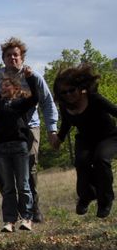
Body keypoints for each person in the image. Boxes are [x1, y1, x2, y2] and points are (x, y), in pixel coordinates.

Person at [0, 37, 59, 223]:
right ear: (3, 58)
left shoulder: (33, 77)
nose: (12, 58)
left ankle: (32, 209)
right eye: (8, 55)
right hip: (3, 129)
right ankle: (13, 209)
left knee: (29, 168)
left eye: (16, 55)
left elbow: (46, 102)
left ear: (22, 57)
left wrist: (52, 129)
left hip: (29, 127)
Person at [49, 64, 117, 218]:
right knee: (81, 162)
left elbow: (115, 111)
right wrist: (59, 139)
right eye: (63, 92)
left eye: (71, 90)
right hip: (86, 139)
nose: (68, 94)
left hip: (108, 136)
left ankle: (105, 200)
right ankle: (87, 195)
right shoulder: (65, 106)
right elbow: (66, 124)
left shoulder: (94, 99)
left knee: (101, 159)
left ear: (79, 87)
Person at [0, 67, 39, 232]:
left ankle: (27, 218)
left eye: (7, 85)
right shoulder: (0, 104)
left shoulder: (21, 103)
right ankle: (9, 221)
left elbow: (35, 97)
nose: (3, 88)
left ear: (16, 89)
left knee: (23, 184)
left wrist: (30, 79)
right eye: (2, 86)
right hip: (2, 149)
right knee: (8, 187)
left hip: (19, 147)